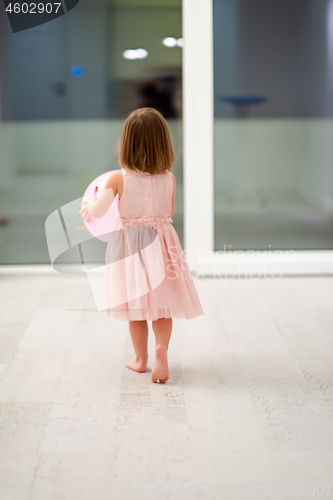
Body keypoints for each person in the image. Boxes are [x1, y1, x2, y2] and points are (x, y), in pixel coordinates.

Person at [79, 108, 204, 384]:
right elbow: (168, 211)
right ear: (163, 143)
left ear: (126, 143)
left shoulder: (117, 179)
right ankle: (162, 348)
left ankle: (140, 359)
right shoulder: (168, 177)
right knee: (162, 306)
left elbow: (98, 212)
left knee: (135, 308)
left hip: (131, 248)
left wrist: (90, 202)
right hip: (162, 244)